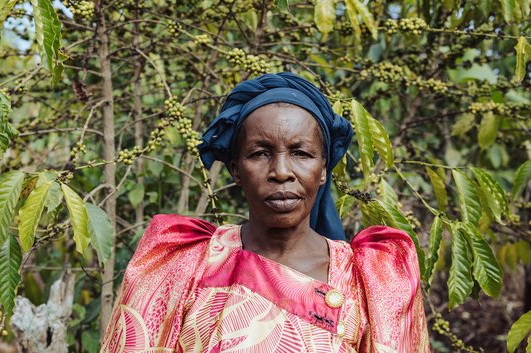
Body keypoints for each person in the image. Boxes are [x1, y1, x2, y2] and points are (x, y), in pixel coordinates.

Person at [100, 72, 430, 353]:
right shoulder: (184, 262)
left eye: (301, 153)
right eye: (260, 153)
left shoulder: (369, 277)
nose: (281, 171)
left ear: (324, 169)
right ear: (235, 169)